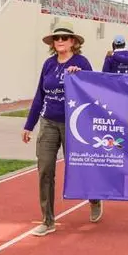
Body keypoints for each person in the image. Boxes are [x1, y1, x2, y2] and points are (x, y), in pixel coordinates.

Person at [22, 21, 103, 236]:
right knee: (45, 169)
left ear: (73, 42)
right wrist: (29, 125)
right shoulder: (49, 64)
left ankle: (94, 198)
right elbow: (40, 94)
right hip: (48, 122)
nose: (60, 41)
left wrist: (80, 76)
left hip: (73, 124)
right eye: (56, 38)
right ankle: (47, 220)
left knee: (78, 168)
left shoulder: (82, 62)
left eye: (64, 38)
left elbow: (94, 90)